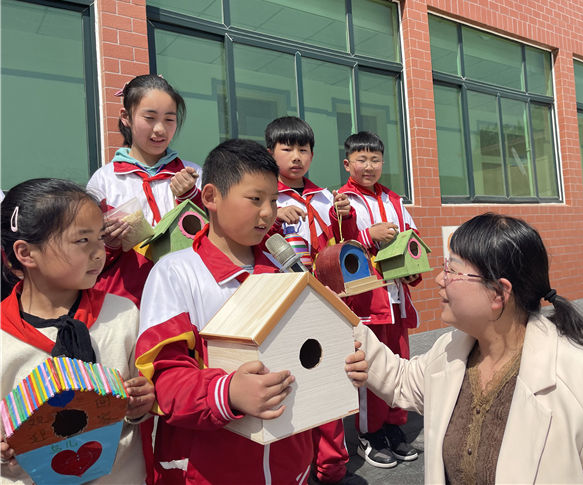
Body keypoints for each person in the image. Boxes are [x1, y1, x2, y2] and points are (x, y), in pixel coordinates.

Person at [355, 213, 583, 484]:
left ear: (499, 293)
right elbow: (401, 379)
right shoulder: (450, 350)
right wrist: (339, 318)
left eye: (452, 270)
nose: (438, 279)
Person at [134, 139, 368, 484]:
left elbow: (309, 355)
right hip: (208, 469)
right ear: (211, 197)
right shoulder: (176, 273)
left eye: (273, 200)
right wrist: (227, 393)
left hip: (292, 463)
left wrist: (343, 364)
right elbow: (164, 379)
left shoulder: (283, 269)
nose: (267, 212)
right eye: (255, 199)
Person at [0, 178, 155, 484]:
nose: (99, 252)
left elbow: (145, 407)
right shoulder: (4, 335)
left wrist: (143, 404)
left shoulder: (122, 315)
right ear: (26, 253)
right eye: (82, 241)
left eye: (100, 237)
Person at [265, 116, 363, 485]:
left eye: (303, 149)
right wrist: (272, 214)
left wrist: (345, 220)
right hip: (282, 307)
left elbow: (339, 250)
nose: (295, 157)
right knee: (290, 386)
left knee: (329, 380)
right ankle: (299, 470)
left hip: (323, 302)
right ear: (270, 151)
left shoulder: (325, 196)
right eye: (286, 148)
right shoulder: (263, 195)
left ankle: (333, 467)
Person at [337, 131, 421, 469]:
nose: (369, 166)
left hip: (397, 297)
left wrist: (413, 264)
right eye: (361, 159)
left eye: (375, 159)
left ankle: (393, 426)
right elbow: (336, 245)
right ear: (347, 163)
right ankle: (369, 435)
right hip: (367, 301)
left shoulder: (396, 200)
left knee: (399, 362)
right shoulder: (340, 200)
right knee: (370, 368)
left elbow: (412, 237)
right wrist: (366, 237)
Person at [87, 74, 202, 249]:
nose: (160, 129)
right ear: (126, 117)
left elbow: (214, 235)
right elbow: (87, 246)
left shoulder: (192, 173)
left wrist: (191, 196)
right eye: (149, 118)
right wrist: (109, 245)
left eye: (169, 119)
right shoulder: (105, 180)